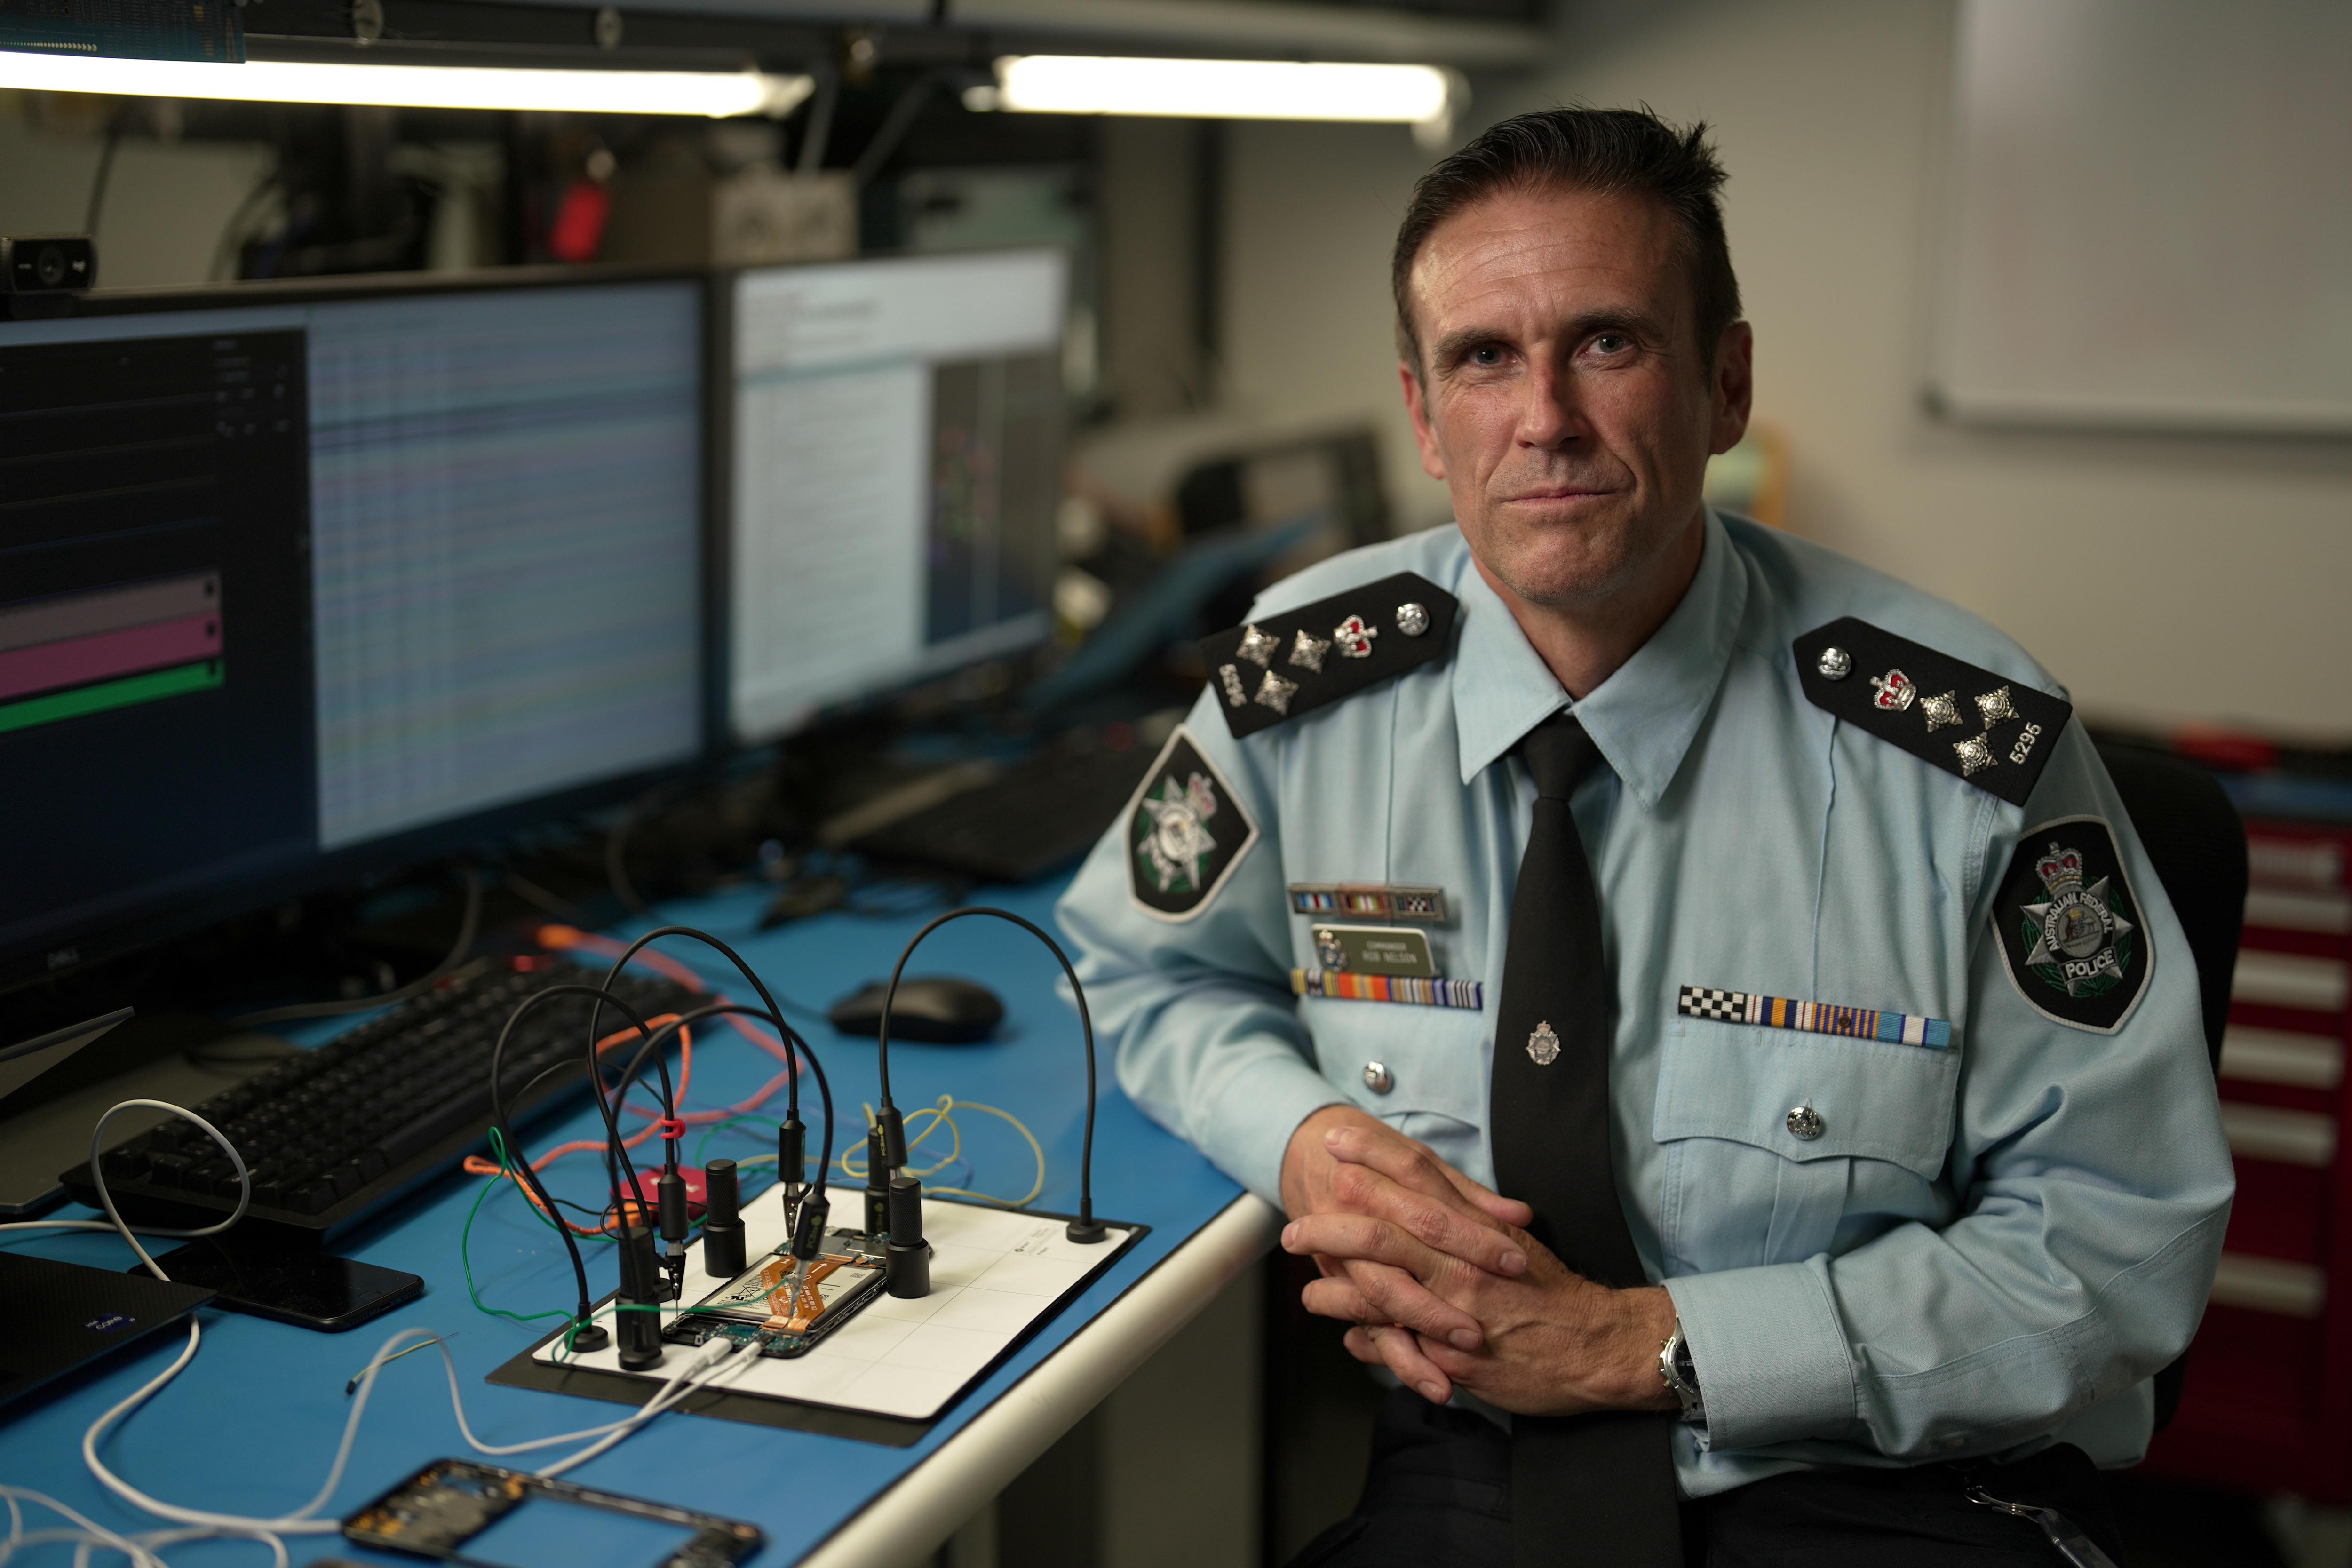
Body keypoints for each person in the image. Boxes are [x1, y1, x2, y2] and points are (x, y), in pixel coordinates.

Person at [1056, 108, 2233, 1565]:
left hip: (1887, 1475)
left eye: (1606, 342)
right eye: (1484, 358)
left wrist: (1650, 1348)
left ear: (1725, 384)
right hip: (1468, 1466)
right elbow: (1139, 967)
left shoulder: (1961, 745)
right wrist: (1305, 1141)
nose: (1544, 416)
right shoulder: (1309, 687)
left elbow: (2119, 1245)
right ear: (1423, 417)